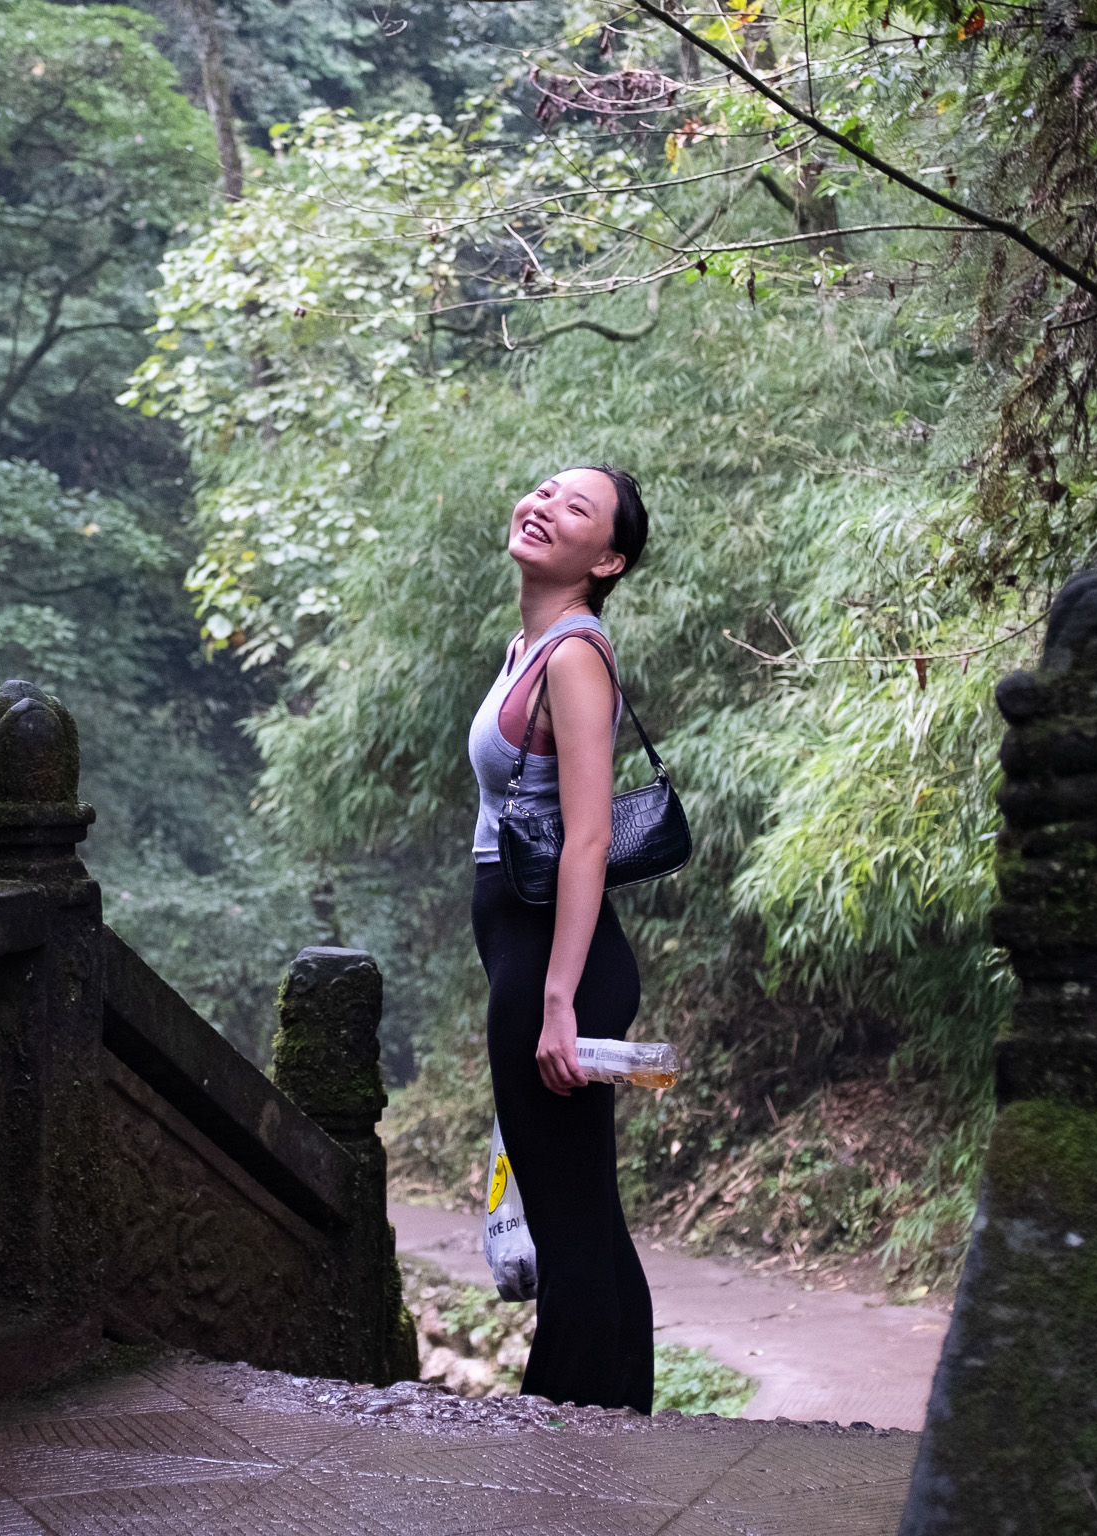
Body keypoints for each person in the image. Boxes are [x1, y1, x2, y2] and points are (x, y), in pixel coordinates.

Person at [465, 463, 654, 1413]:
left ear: (607, 559)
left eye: (576, 508)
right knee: (588, 1220)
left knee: (570, 1233)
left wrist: (557, 1004)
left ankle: (554, 1447)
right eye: (544, 490)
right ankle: (621, 1427)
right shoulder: (529, 645)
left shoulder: (575, 656)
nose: (543, 506)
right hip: (532, 955)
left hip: (557, 968)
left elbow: (587, 838)